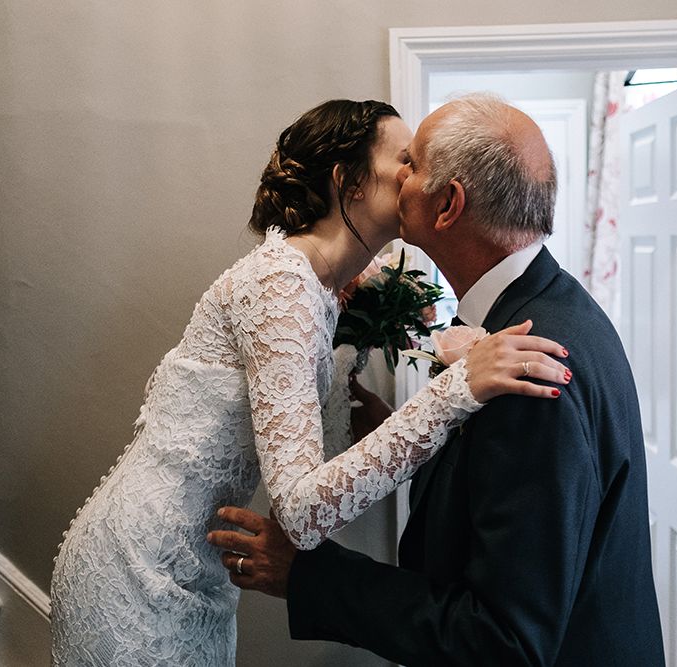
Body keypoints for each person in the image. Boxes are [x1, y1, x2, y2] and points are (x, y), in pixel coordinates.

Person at [49, 98, 570, 666]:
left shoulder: (323, 290)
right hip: (136, 570)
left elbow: (308, 462)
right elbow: (300, 513)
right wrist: (456, 389)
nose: (418, 175)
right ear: (348, 182)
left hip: (197, 574)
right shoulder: (283, 283)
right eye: (406, 159)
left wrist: (381, 419)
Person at [212, 94, 665, 666]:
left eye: (414, 165)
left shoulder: (532, 366)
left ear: (448, 203)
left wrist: (308, 576)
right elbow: (508, 492)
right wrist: (415, 439)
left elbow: (501, 643)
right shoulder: (553, 310)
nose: (401, 179)